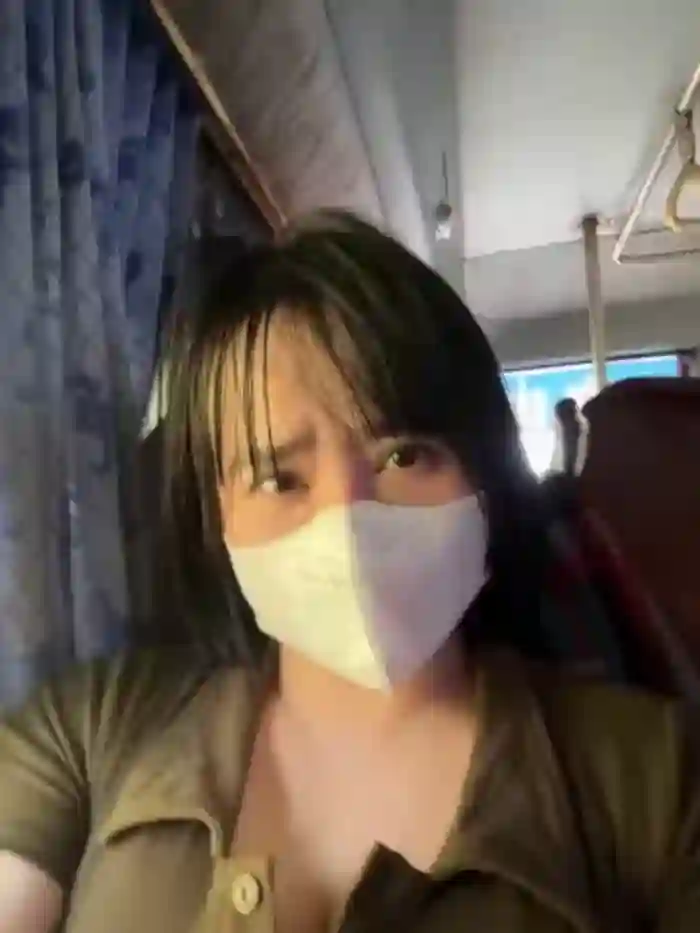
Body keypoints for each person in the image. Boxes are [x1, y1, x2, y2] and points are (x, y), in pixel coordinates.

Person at [0, 211, 697, 933]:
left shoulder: (653, 777)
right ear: (219, 515)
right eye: (279, 477)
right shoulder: (88, 733)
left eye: (403, 456)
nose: (347, 518)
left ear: (486, 478)